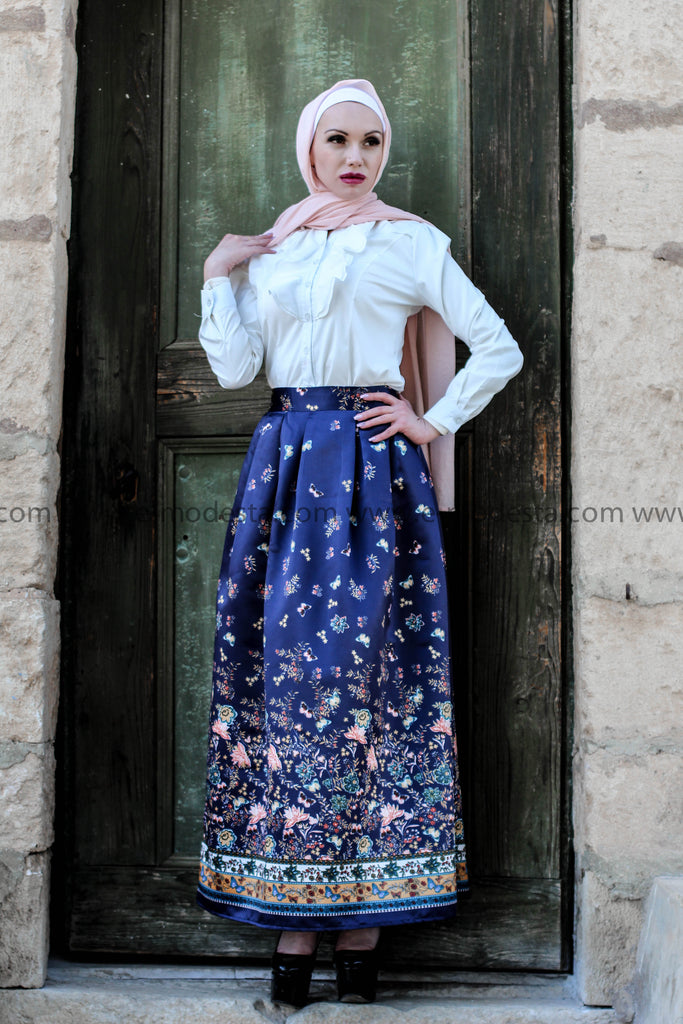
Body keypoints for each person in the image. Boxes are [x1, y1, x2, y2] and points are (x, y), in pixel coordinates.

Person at [196, 79, 523, 1007]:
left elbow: (496, 345)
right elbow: (234, 369)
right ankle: (292, 933)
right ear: (308, 147)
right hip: (284, 473)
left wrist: (428, 421)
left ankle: (365, 937)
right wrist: (218, 273)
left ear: (384, 152)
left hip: (374, 478)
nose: (353, 156)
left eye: (370, 142)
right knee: (284, 680)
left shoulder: (411, 244)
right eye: (336, 139)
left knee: (373, 681)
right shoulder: (275, 250)